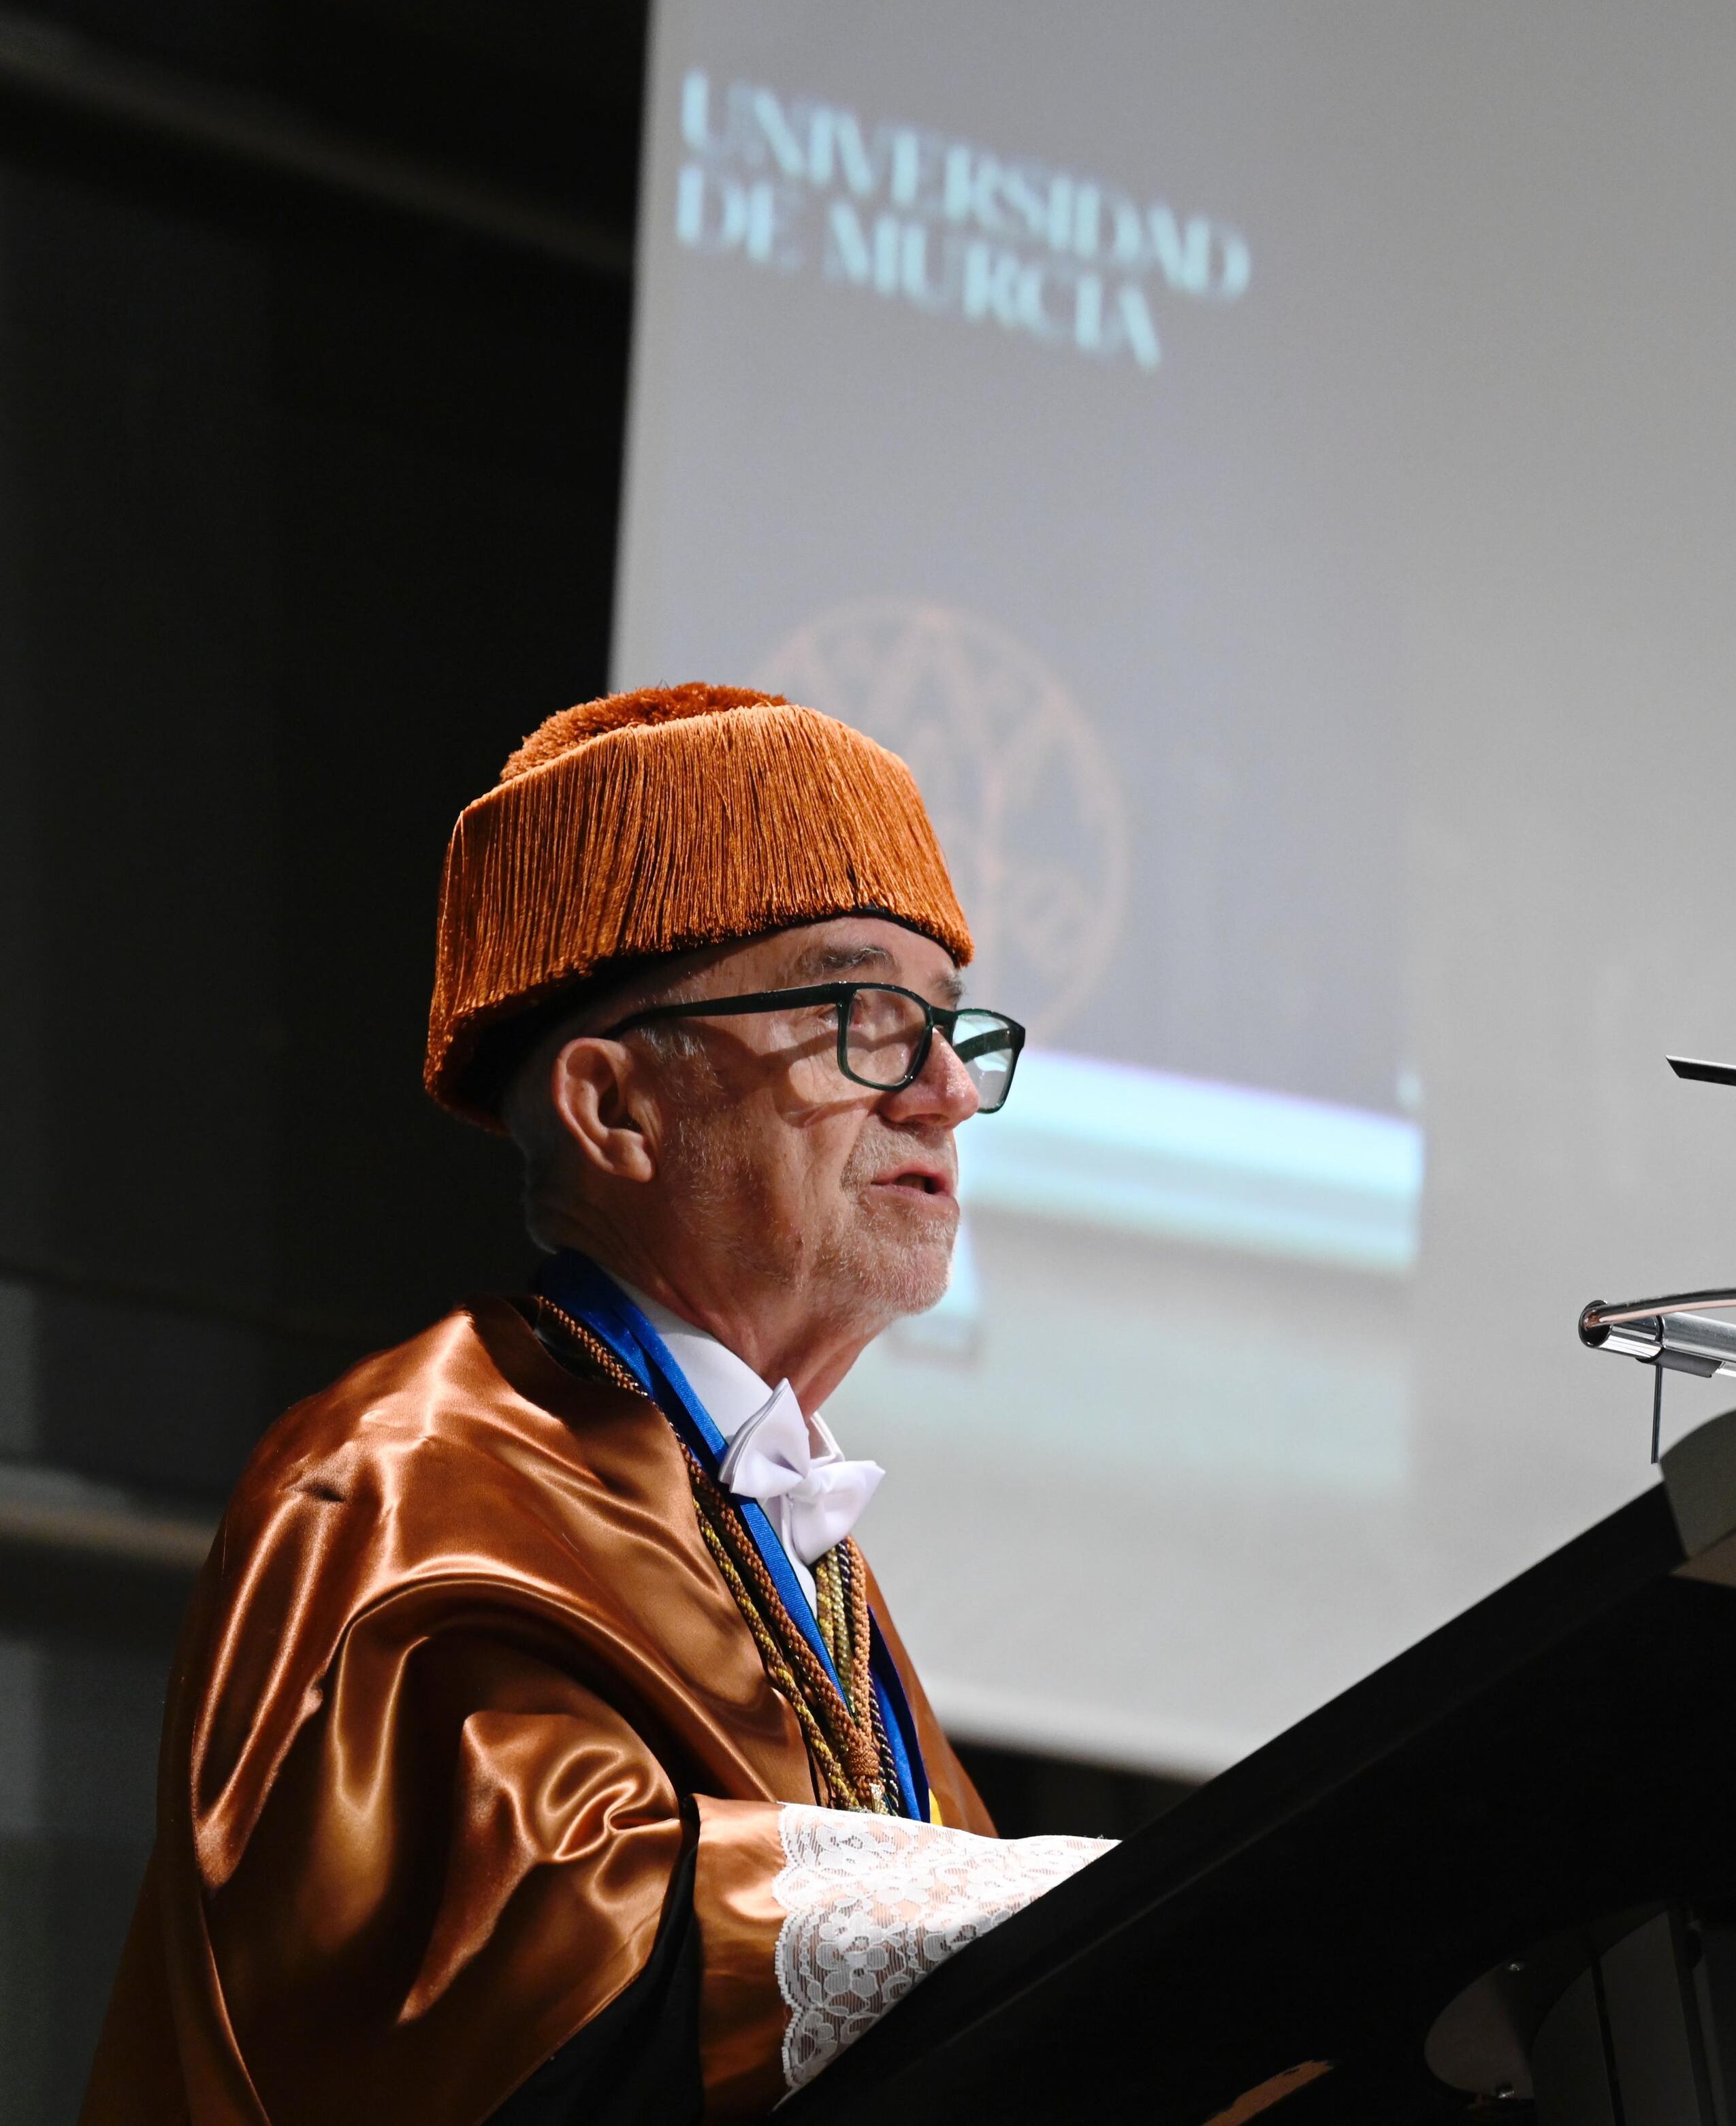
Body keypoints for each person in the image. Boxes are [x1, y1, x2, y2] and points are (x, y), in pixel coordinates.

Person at [82, 685, 1108, 2125]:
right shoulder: (404, 1474)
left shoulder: (787, 1538)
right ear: (614, 1106)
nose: (945, 1090)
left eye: (952, 1028)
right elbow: (496, 1979)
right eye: (868, 1014)